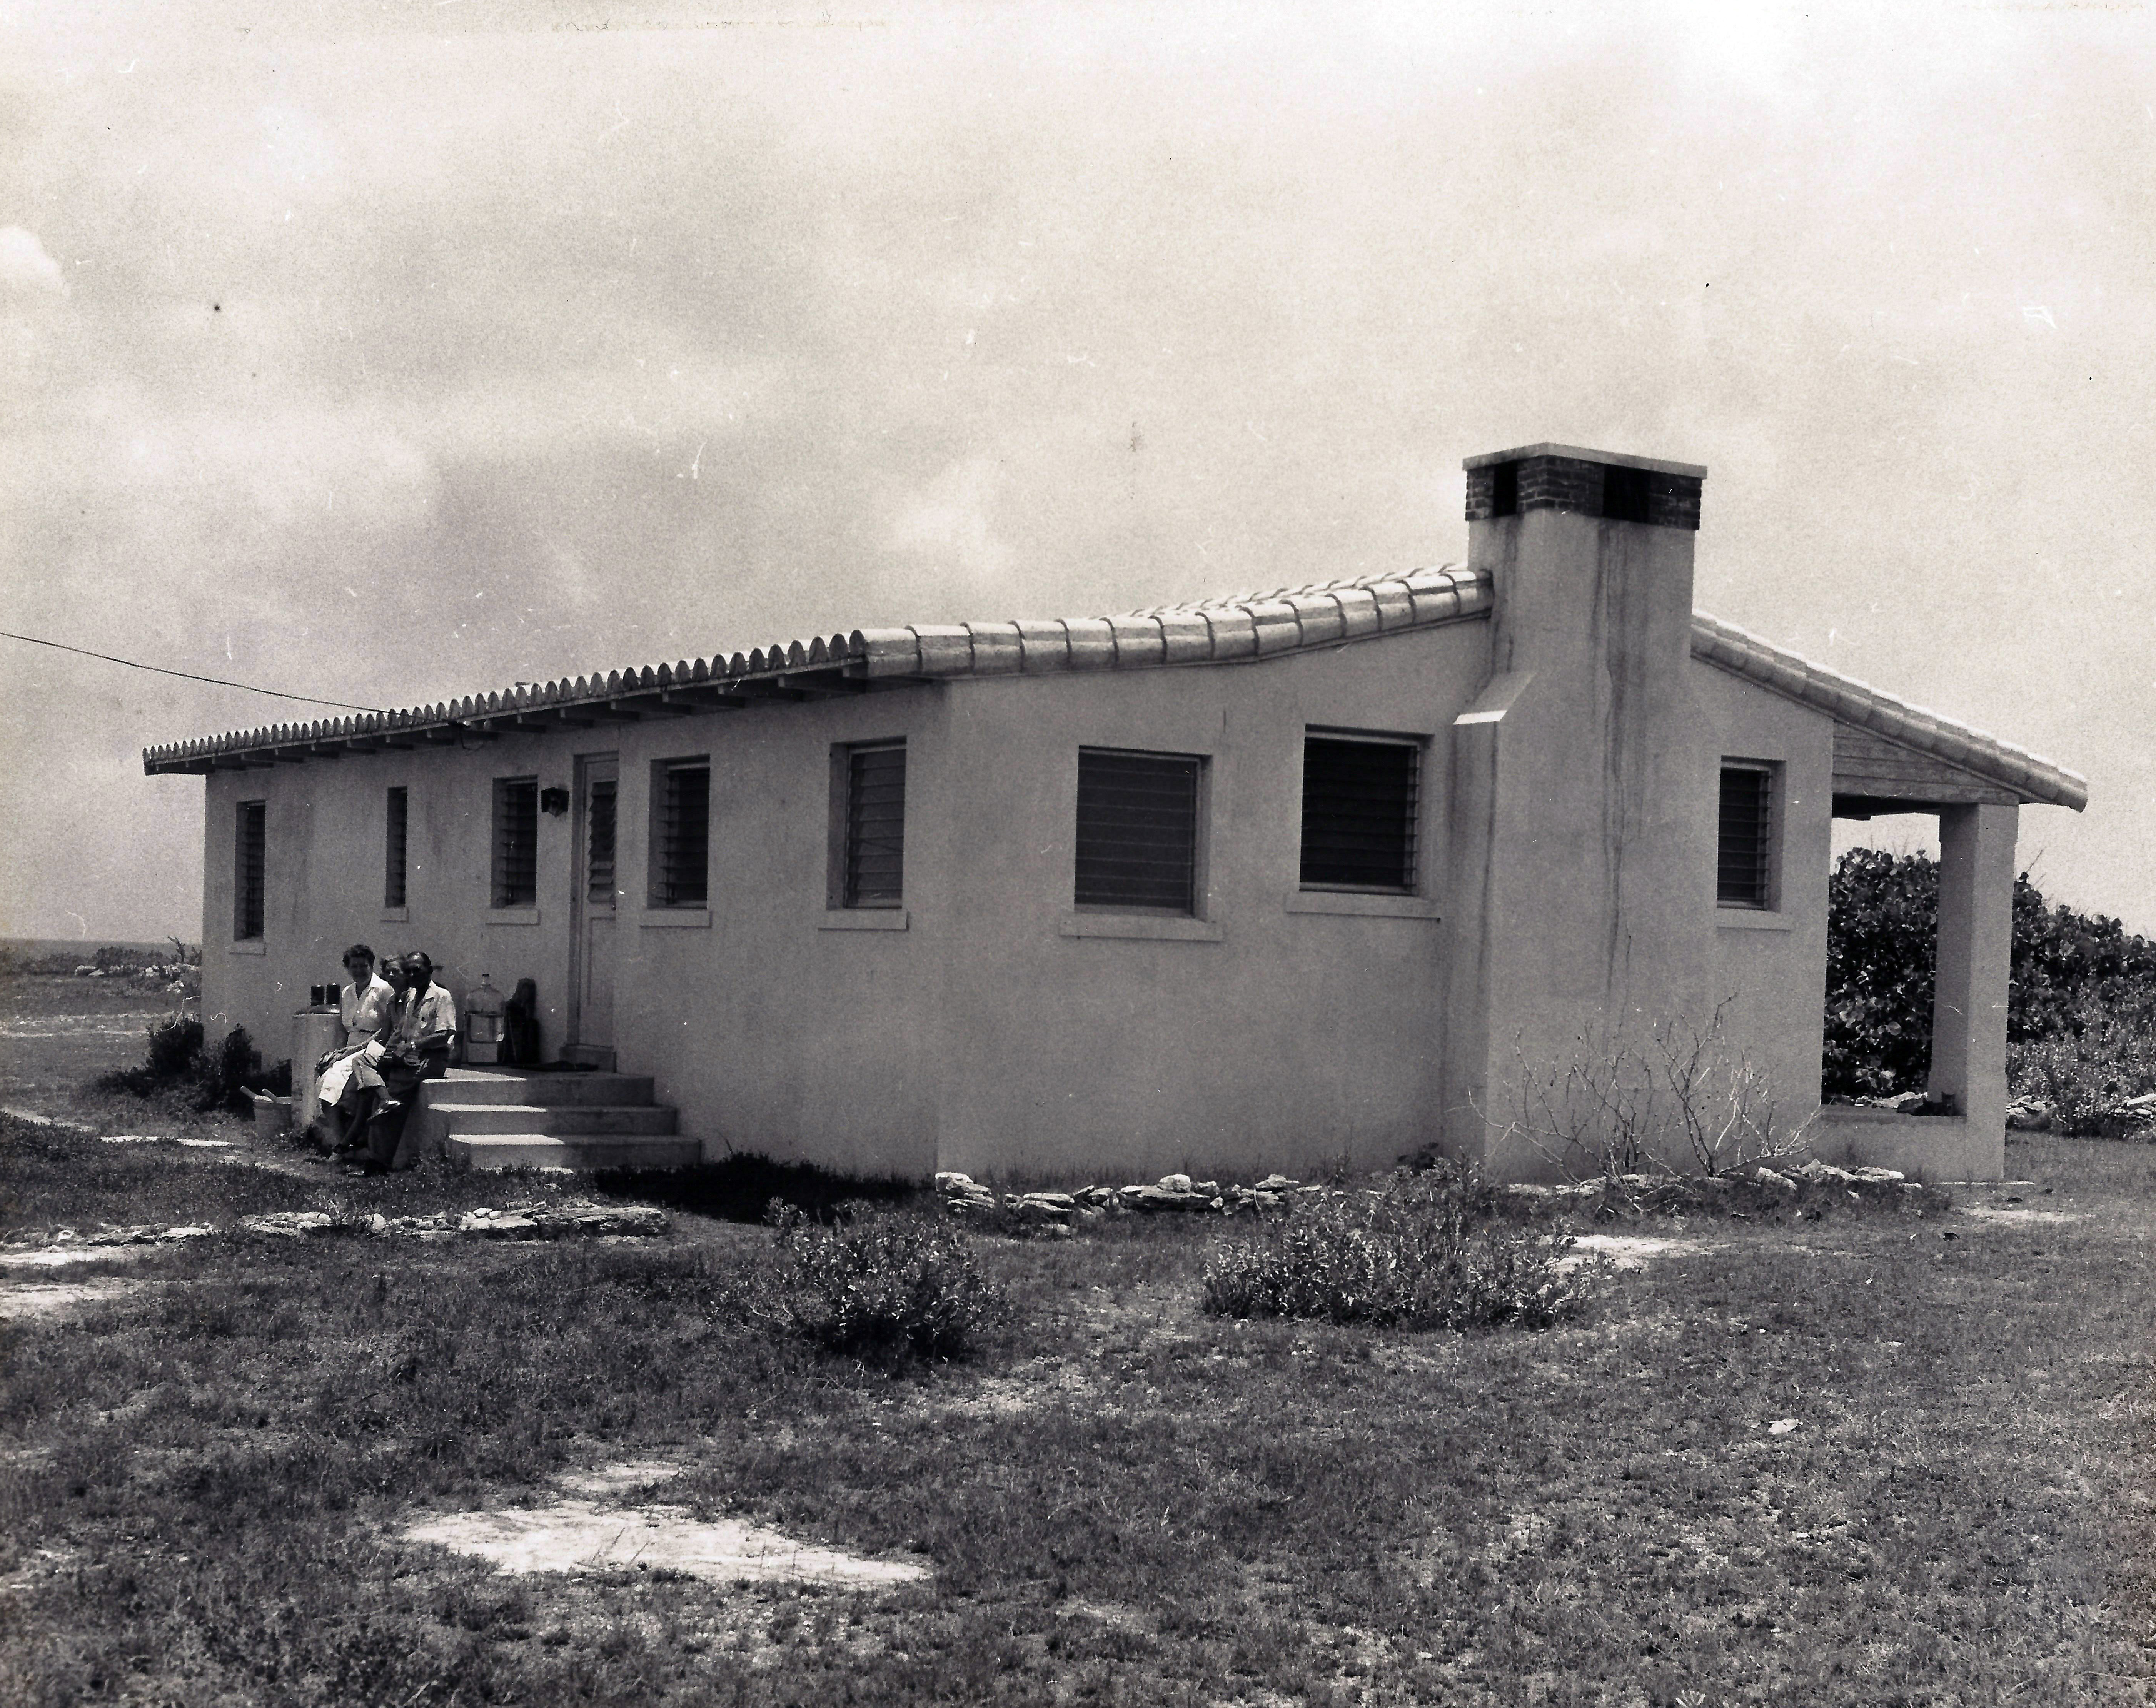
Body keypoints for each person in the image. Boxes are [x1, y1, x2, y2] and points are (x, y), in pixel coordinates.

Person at [360, 951, 458, 1172]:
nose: (413, 975)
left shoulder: (442, 996)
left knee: (393, 1093)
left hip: (431, 1057)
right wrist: (388, 1053)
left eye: (418, 970)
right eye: (410, 971)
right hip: (408, 1055)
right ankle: (385, 1100)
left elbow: (445, 1034)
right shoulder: (411, 997)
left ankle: (378, 1163)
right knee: (366, 1063)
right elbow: (402, 1032)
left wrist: (412, 1047)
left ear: (429, 971)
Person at [315, 945, 398, 1152]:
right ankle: (340, 1141)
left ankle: (347, 1145)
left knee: (343, 1084)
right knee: (326, 1081)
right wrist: (339, 1051)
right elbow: (345, 1029)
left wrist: (351, 1052)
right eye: (355, 967)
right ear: (348, 968)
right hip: (352, 1046)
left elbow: (388, 1028)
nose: (360, 971)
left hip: (375, 1045)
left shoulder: (384, 990)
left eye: (364, 966)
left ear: (372, 966)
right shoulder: (348, 992)